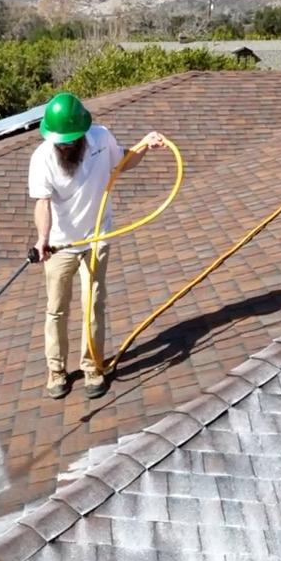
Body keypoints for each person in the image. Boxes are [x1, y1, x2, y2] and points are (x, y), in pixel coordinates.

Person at [28, 92, 165, 400]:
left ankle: (92, 367)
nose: (63, 146)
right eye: (59, 141)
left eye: (68, 141)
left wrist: (145, 144)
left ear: (80, 134)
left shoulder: (100, 138)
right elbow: (43, 203)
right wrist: (43, 240)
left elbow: (123, 163)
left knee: (93, 306)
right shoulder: (42, 158)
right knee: (56, 310)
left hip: (96, 237)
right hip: (61, 245)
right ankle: (57, 371)